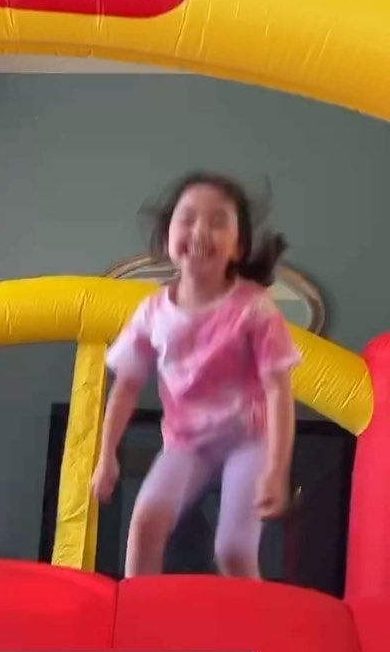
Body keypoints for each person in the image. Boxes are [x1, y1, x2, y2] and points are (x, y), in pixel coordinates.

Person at [91, 172, 301, 579]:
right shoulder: (152, 312)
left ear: (238, 247)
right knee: (145, 527)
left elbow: (278, 391)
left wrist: (277, 467)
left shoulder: (253, 307)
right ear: (168, 236)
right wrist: (106, 456)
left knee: (233, 550)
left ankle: (252, 616)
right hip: (187, 442)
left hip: (248, 439)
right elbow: (126, 388)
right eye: (187, 218)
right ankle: (141, 615)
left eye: (218, 221)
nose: (201, 230)